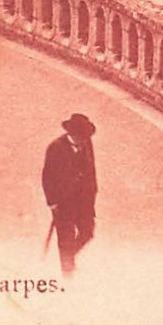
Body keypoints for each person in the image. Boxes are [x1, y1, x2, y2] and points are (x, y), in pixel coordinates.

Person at [42, 113, 98, 275]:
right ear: (72, 134)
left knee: (87, 232)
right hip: (63, 200)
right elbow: (47, 177)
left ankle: (68, 258)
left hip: (84, 199)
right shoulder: (55, 148)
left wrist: (93, 191)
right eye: (81, 136)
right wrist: (52, 202)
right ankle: (67, 271)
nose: (83, 140)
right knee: (65, 236)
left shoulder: (87, 143)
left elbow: (91, 169)